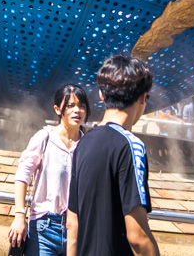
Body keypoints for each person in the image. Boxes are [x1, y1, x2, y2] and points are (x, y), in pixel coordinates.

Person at [66, 54, 156, 256]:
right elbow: (138, 237)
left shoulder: (83, 143)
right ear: (143, 98)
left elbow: (72, 223)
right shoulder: (132, 146)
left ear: (101, 95)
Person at [10, 84, 89, 256]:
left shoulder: (87, 144)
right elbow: (22, 175)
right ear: (57, 109)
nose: (77, 110)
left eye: (81, 106)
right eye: (71, 106)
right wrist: (19, 215)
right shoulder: (45, 138)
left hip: (78, 230)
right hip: (44, 229)